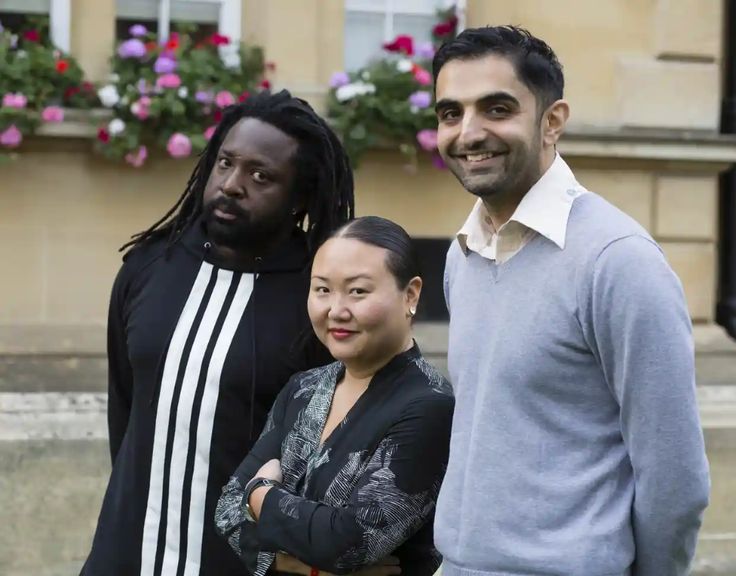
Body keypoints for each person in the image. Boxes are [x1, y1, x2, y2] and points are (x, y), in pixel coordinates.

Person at [431, 26, 710, 576]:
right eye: (449, 113)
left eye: (497, 108)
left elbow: (675, 477)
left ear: (552, 121)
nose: (468, 132)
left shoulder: (618, 260)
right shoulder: (462, 254)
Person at [81, 89, 354, 576]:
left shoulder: (320, 298)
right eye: (225, 163)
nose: (231, 184)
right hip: (124, 556)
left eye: (261, 176)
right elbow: (125, 414)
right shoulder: (148, 266)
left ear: (301, 199)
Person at [215, 216, 454, 576]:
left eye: (358, 291)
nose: (336, 310)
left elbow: (346, 543)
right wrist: (295, 564)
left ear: (411, 294)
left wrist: (261, 493)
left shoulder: (428, 405)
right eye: (322, 289)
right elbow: (228, 510)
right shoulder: (304, 388)